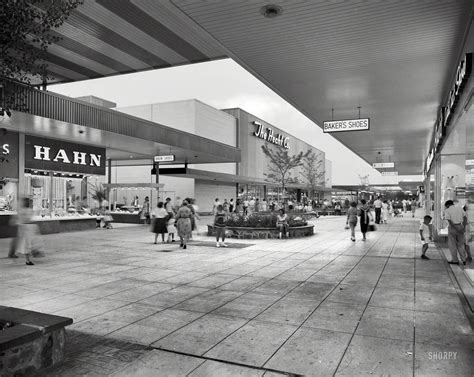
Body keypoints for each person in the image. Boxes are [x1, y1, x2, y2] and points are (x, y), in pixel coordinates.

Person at [444, 200, 467, 265]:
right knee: (461, 244)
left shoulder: (447, 210)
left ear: (448, 205)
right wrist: (463, 227)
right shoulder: (459, 208)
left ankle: (455, 260)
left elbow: (450, 221)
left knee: (452, 245)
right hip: (460, 226)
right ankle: (464, 260)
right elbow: (465, 218)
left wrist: (455, 228)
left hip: (452, 228)